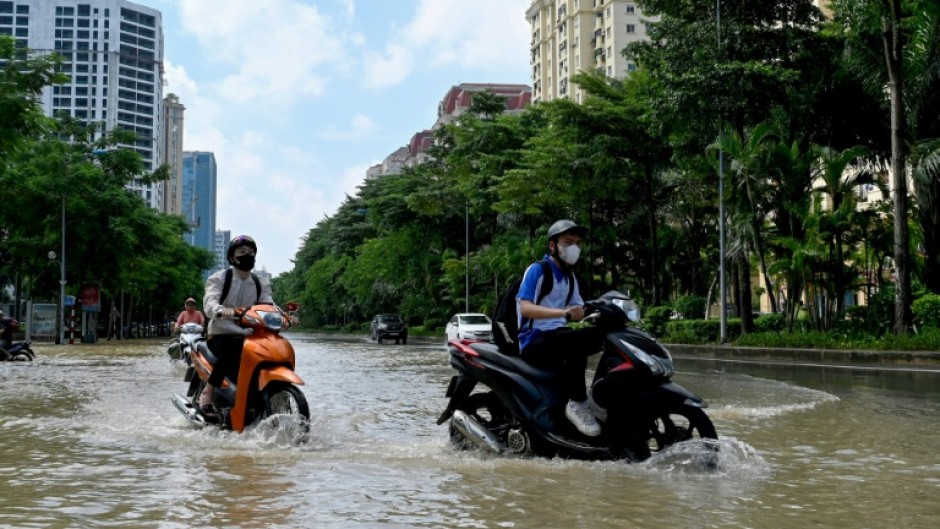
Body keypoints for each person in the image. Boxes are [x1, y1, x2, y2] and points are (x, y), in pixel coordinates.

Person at [517, 220, 605, 437]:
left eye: (577, 243)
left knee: (602, 337)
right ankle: (577, 402)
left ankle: (599, 399)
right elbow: (526, 308)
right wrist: (562, 313)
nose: (574, 247)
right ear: (553, 246)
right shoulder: (538, 270)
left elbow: (580, 307)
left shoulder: (570, 277)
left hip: (556, 336)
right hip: (533, 338)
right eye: (568, 242)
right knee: (576, 341)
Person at [198, 235, 274, 414]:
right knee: (234, 347)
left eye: (251, 252)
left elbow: (269, 305)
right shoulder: (220, 278)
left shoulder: (259, 282)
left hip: (250, 335)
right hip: (221, 334)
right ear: (232, 257)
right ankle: (208, 391)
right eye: (242, 252)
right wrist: (219, 310)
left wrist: (285, 317)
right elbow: (210, 301)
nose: (248, 255)